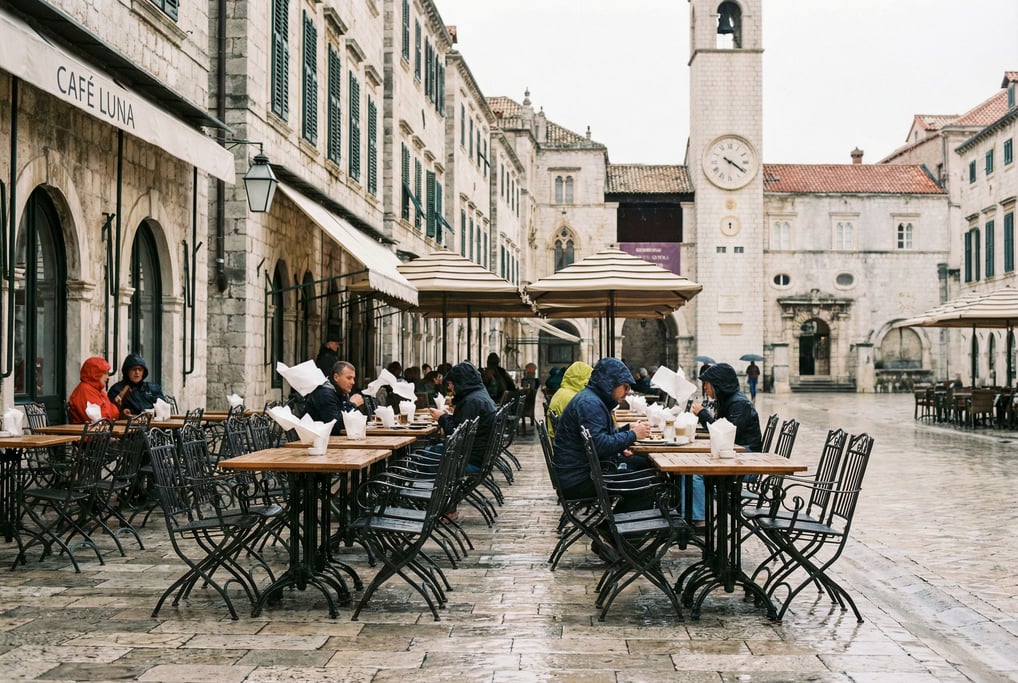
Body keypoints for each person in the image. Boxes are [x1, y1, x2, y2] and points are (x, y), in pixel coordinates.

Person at [552, 358, 653, 513]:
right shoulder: (590, 404)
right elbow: (600, 445)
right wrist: (632, 434)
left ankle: (619, 529)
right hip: (580, 480)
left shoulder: (592, 399)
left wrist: (625, 431)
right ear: (609, 383)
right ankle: (614, 532)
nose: (627, 392)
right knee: (645, 484)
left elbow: (597, 439)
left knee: (643, 468)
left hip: (578, 473)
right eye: (624, 387)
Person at [689, 363, 764, 530]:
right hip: (733, 457)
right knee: (686, 471)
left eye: (707, 384)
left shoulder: (739, 404)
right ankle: (689, 514)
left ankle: (700, 521)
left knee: (695, 474)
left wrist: (703, 414)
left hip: (747, 462)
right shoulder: (727, 401)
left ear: (718, 384)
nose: (705, 388)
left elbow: (724, 434)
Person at [428, 361, 497, 474]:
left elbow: (457, 435)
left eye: (451, 383)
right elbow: (462, 427)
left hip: (468, 460)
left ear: (461, 382)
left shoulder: (471, 402)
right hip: (477, 456)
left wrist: (442, 417)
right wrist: (448, 416)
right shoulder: (479, 396)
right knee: (429, 451)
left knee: (422, 457)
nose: (449, 387)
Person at [304, 360, 365, 435]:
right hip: (315, 441)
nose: (353, 382)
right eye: (349, 378)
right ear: (336, 377)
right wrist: (353, 405)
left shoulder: (341, 392)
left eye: (353, 378)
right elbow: (336, 427)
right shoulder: (325, 394)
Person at [547, 361, 592, 438]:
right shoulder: (574, 399)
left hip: (561, 442)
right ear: (583, 379)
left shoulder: (563, 392)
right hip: (569, 445)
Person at [68, 356, 120, 423]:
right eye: (105, 373)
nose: (108, 377)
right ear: (95, 373)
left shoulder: (97, 390)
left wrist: (112, 411)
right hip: (86, 432)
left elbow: (110, 415)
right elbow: (98, 419)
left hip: (97, 431)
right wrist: (112, 410)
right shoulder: (85, 390)